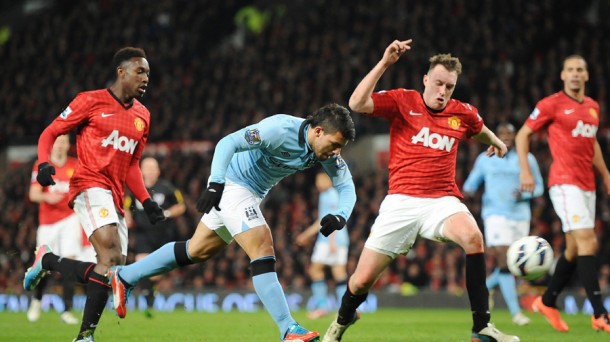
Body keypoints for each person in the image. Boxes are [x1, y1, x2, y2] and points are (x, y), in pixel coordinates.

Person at [322, 40, 519, 342]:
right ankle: (341, 321)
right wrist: (385, 63)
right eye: (438, 83)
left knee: (473, 237)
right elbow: (357, 104)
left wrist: (496, 141)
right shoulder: (403, 101)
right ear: (426, 80)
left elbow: (478, 129)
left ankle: (481, 327)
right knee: (360, 282)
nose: (443, 91)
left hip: (442, 200)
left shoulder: (462, 112)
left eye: (449, 87)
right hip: (401, 202)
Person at [107, 103, 357, 342]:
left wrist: (340, 215)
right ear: (318, 131)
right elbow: (228, 142)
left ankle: (126, 275)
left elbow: (346, 186)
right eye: (335, 144)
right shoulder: (278, 129)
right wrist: (215, 183)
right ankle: (288, 328)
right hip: (233, 186)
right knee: (262, 246)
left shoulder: (325, 150)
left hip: (251, 194)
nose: (337, 152)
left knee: (196, 250)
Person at [23, 47, 165, 342]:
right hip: (88, 184)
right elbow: (50, 132)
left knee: (113, 269)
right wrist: (44, 163)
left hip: (114, 195)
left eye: (148, 73)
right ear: (121, 72)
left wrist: (147, 200)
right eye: (140, 71)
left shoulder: (143, 116)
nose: (146, 78)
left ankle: (82, 331)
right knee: (111, 255)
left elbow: (132, 166)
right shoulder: (89, 101)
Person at [515, 55, 610, 333]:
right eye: (570, 70)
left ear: (587, 75)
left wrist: (605, 174)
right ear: (563, 75)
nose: (575, 74)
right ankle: (600, 313)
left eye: (580, 69)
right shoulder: (551, 104)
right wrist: (526, 171)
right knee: (587, 242)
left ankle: (547, 301)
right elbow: (523, 135)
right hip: (564, 182)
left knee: (573, 248)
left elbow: (591, 145)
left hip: (587, 184)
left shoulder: (593, 107)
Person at [462, 122, 544, 326]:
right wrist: (470, 193)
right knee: (503, 259)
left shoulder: (527, 159)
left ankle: (487, 285)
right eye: (502, 133)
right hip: (495, 215)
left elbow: (539, 188)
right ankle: (516, 313)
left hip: (520, 216)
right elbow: (470, 185)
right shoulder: (485, 159)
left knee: (513, 265)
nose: (506, 136)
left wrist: (525, 193)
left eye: (510, 133)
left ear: (516, 137)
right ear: (495, 136)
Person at [27, 134, 94, 325]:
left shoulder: (75, 165)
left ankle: (66, 310)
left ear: (68, 145)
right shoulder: (42, 166)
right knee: (44, 264)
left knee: (70, 262)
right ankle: (37, 300)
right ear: (52, 145)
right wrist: (48, 198)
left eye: (64, 142)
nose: (60, 145)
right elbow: (33, 194)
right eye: (57, 142)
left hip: (70, 219)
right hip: (48, 223)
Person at [124, 156, 186, 317]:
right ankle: (147, 298)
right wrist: (128, 217)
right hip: (143, 234)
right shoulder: (135, 188)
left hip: (163, 234)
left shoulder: (167, 188)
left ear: (158, 171)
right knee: (143, 264)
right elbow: (126, 206)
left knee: (156, 274)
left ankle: (150, 292)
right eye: (147, 168)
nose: (150, 171)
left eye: (153, 168)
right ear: (141, 171)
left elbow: (181, 206)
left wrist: (168, 213)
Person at [296, 171, 349, 320]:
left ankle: (322, 307)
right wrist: (306, 234)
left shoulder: (330, 195)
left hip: (330, 241)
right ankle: (345, 310)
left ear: (328, 180)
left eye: (320, 180)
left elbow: (332, 220)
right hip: (339, 239)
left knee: (315, 270)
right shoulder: (326, 195)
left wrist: (332, 242)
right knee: (339, 273)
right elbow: (321, 220)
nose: (317, 183)